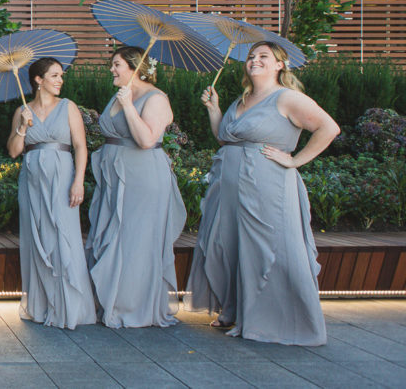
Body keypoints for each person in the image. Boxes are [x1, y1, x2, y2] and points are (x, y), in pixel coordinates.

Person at [187, 41, 339, 346]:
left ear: (279, 65)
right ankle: (237, 310)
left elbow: (329, 128)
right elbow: (225, 139)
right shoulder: (241, 100)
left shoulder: (287, 98)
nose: (254, 60)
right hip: (229, 186)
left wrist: (294, 160)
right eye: (252, 57)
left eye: (263, 57)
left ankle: (274, 319)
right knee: (230, 246)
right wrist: (214, 110)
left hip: (267, 185)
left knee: (268, 247)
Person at [85, 46, 187, 328]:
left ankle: (133, 306)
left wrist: (129, 105)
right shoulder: (118, 94)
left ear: (135, 67)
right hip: (115, 176)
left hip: (143, 178)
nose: (111, 70)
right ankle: (112, 302)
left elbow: (146, 139)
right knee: (112, 236)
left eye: (116, 65)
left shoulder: (156, 98)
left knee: (135, 240)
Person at [7, 57, 96, 329]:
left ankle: (70, 308)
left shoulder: (68, 107)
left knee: (64, 238)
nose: (60, 80)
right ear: (38, 80)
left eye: (61, 76)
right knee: (38, 239)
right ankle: (43, 306)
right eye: (55, 75)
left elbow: (81, 147)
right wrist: (23, 126)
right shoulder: (22, 111)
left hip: (62, 178)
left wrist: (78, 181)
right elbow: (13, 151)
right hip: (32, 181)